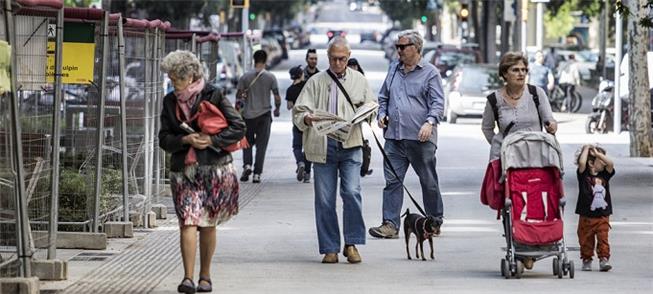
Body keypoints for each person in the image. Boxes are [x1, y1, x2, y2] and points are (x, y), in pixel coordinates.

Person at [158, 50, 246, 293]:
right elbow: (163, 139)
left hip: (214, 170)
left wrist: (212, 140)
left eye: (176, 78)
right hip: (184, 171)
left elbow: (239, 126)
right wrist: (186, 140)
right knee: (187, 221)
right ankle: (187, 278)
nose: (173, 82)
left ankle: (205, 276)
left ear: (191, 76)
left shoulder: (213, 94)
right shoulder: (169, 102)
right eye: (171, 77)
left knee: (207, 224)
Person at [293, 36, 378, 264]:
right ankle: (330, 247)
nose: (337, 63)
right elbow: (299, 112)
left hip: (351, 145)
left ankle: (351, 244)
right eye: (333, 59)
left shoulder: (359, 80)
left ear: (348, 57)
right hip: (323, 146)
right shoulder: (316, 82)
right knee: (324, 199)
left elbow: (371, 108)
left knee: (352, 193)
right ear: (327, 58)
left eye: (342, 59)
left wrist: (367, 113)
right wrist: (308, 118)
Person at [480, 52, 558, 270]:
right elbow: (487, 128)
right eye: (516, 70)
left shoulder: (536, 93)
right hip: (508, 161)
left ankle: (536, 242)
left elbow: (549, 119)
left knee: (534, 200)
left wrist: (552, 126)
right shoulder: (494, 99)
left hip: (535, 157)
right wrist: (501, 147)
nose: (521, 73)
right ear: (505, 73)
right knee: (510, 204)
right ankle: (517, 244)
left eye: (524, 70)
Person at [368, 30, 445, 239]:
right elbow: (383, 97)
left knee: (428, 181)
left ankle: (435, 219)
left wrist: (429, 123)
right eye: (397, 47)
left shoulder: (430, 72)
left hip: (421, 139)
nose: (399, 51)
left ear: (416, 48)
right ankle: (390, 225)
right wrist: (382, 114)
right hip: (394, 137)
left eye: (403, 47)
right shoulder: (393, 69)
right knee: (392, 182)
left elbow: (438, 103)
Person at [236, 50, 282, 183]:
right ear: (266, 60)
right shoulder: (270, 77)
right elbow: (277, 96)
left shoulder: (245, 77)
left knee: (247, 143)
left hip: (248, 116)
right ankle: (257, 174)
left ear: (254, 59)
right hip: (264, 116)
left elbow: (238, 96)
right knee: (262, 146)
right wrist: (277, 109)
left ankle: (247, 165)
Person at [575, 144, 615, 272]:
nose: (604, 163)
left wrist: (598, 154)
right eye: (600, 161)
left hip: (602, 215)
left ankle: (604, 259)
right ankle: (586, 259)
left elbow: (610, 163)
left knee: (603, 237)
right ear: (591, 164)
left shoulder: (605, 175)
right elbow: (582, 163)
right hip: (586, 215)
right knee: (585, 239)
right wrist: (586, 148)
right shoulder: (583, 175)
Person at [285, 65, 311, 183]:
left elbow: (289, 106)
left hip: (296, 121)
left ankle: (300, 162)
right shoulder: (307, 87)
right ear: (301, 75)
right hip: (308, 119)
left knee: (297, 146)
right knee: (308, 147)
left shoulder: (290, 90)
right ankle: (307, 174)